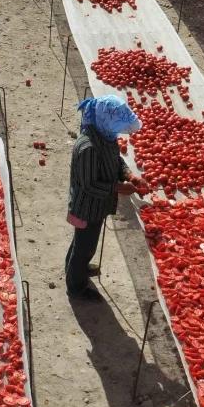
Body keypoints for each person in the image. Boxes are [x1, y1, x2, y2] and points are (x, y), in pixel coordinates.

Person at [66, 95, 140, 301]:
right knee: (84, 246)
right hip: (86, 207)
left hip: (96, 207)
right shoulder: (88, 147)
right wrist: (118, 187)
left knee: (83, 243)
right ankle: (76, 287)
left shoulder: (104, 135)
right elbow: (89, 185)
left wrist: (128, 175)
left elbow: (116, 160)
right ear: (107, 121)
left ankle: (77, 268)